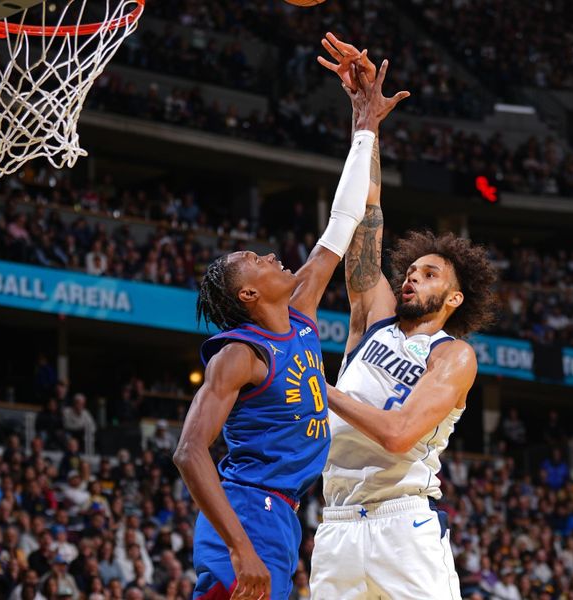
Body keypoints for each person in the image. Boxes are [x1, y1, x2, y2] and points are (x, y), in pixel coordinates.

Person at [173, 56, 408, 600]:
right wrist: (240, 547)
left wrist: (365, 126)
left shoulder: (299, 314)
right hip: (246, 513)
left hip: (280, 514)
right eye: (255, 259)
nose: (272, 254)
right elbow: (189, 450)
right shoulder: (240, 354)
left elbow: (342, 222)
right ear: (248, 295)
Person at [310, 33, 498, 600]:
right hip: (336, 525)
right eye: (411, 269)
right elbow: (366, 214)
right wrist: (365, 123)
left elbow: (398, 434)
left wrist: (315, 383)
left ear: (456, 298)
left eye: (431, 273)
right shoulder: (374, 320)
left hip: (403, 525)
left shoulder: (452, 356)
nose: (412, 275)